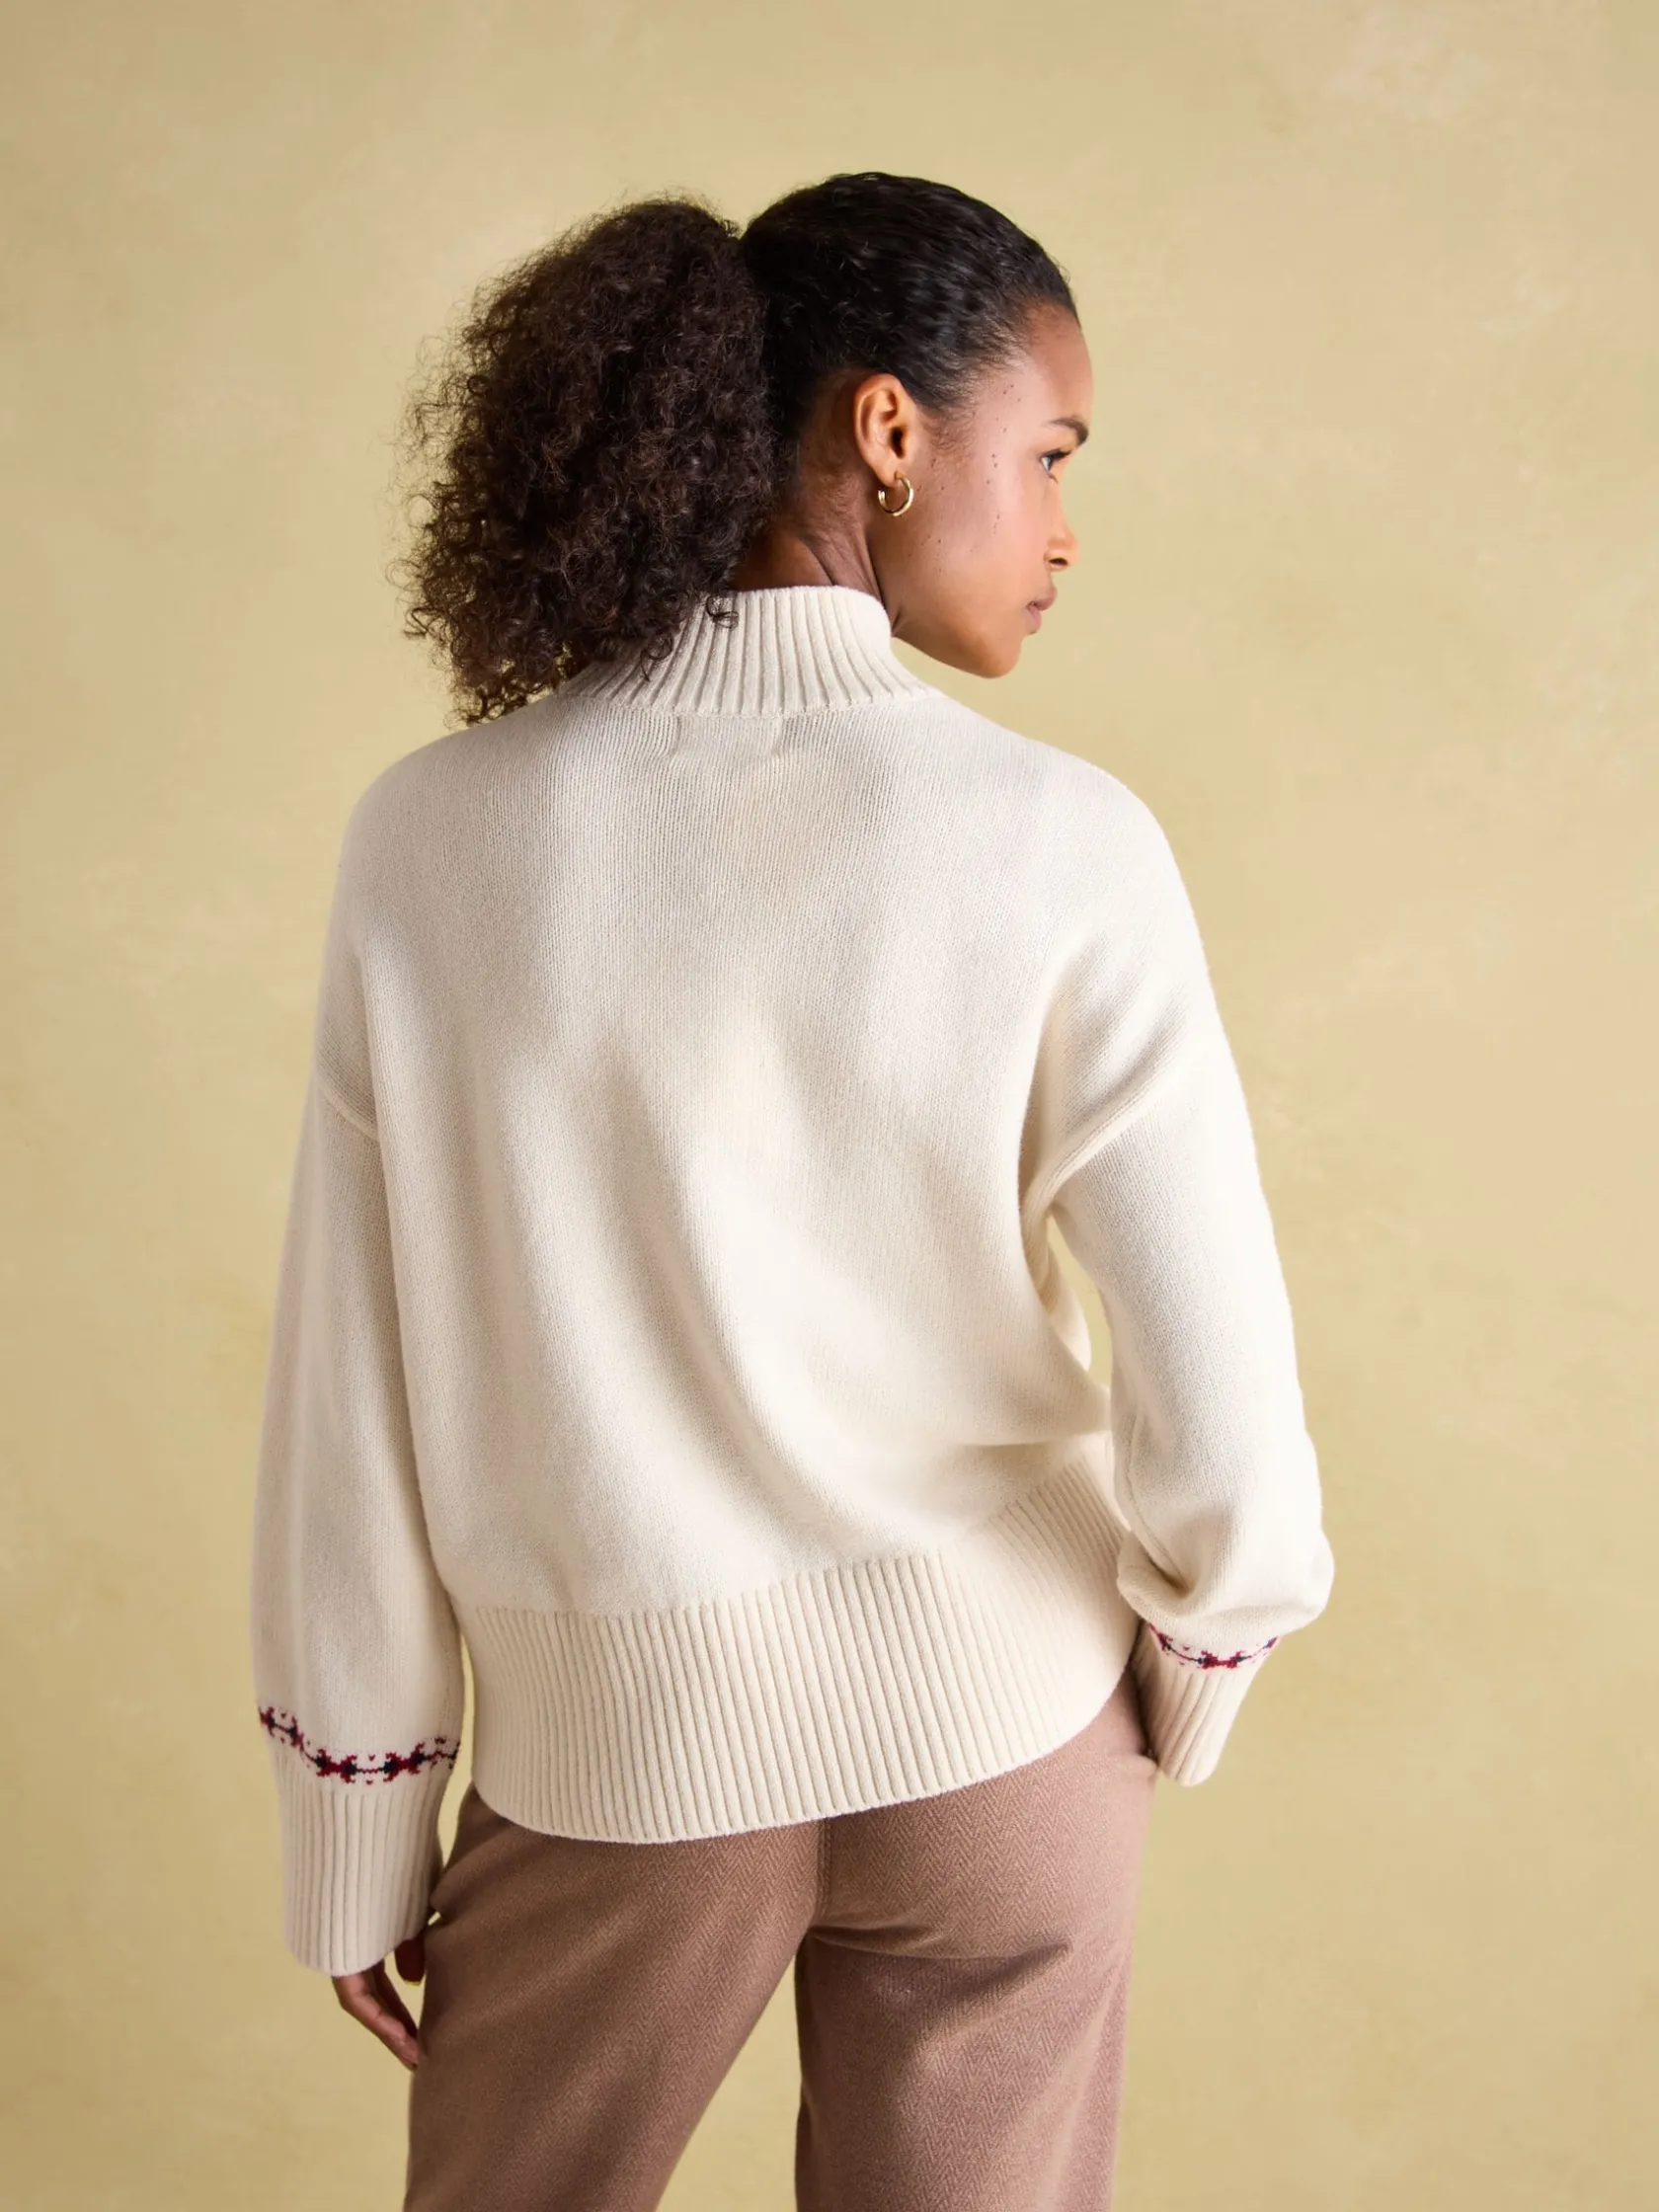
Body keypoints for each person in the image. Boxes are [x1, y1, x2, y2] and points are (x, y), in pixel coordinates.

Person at [250, 169, 1336, 2210]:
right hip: (1014, 1739)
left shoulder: (436, 838)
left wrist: (359, 1819)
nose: (1068, 527)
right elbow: (1217, 1362)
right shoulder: (1068, 839)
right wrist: (1195, 1663)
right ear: (890, 429)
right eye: (1053, 454)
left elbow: (353, 1379)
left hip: (618, 1757)